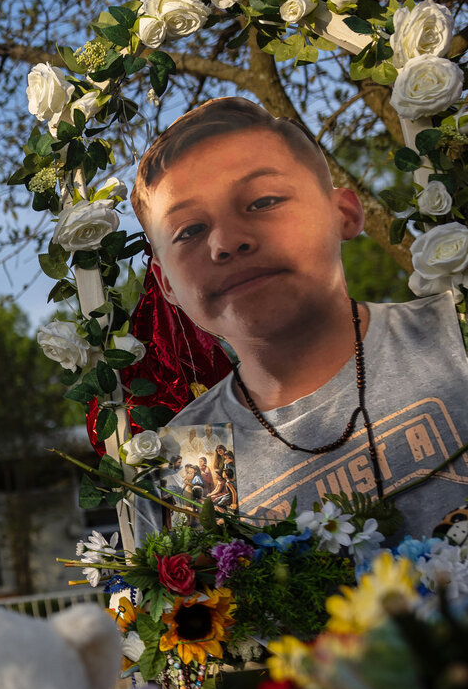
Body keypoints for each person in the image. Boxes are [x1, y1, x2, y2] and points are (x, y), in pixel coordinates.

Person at [133, 97, 468, 538]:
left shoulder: (452, 336)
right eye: (189, 230)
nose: (227, 241)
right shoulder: (193, 454)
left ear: (343, 214)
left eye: (262, 201)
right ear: (167, 285)